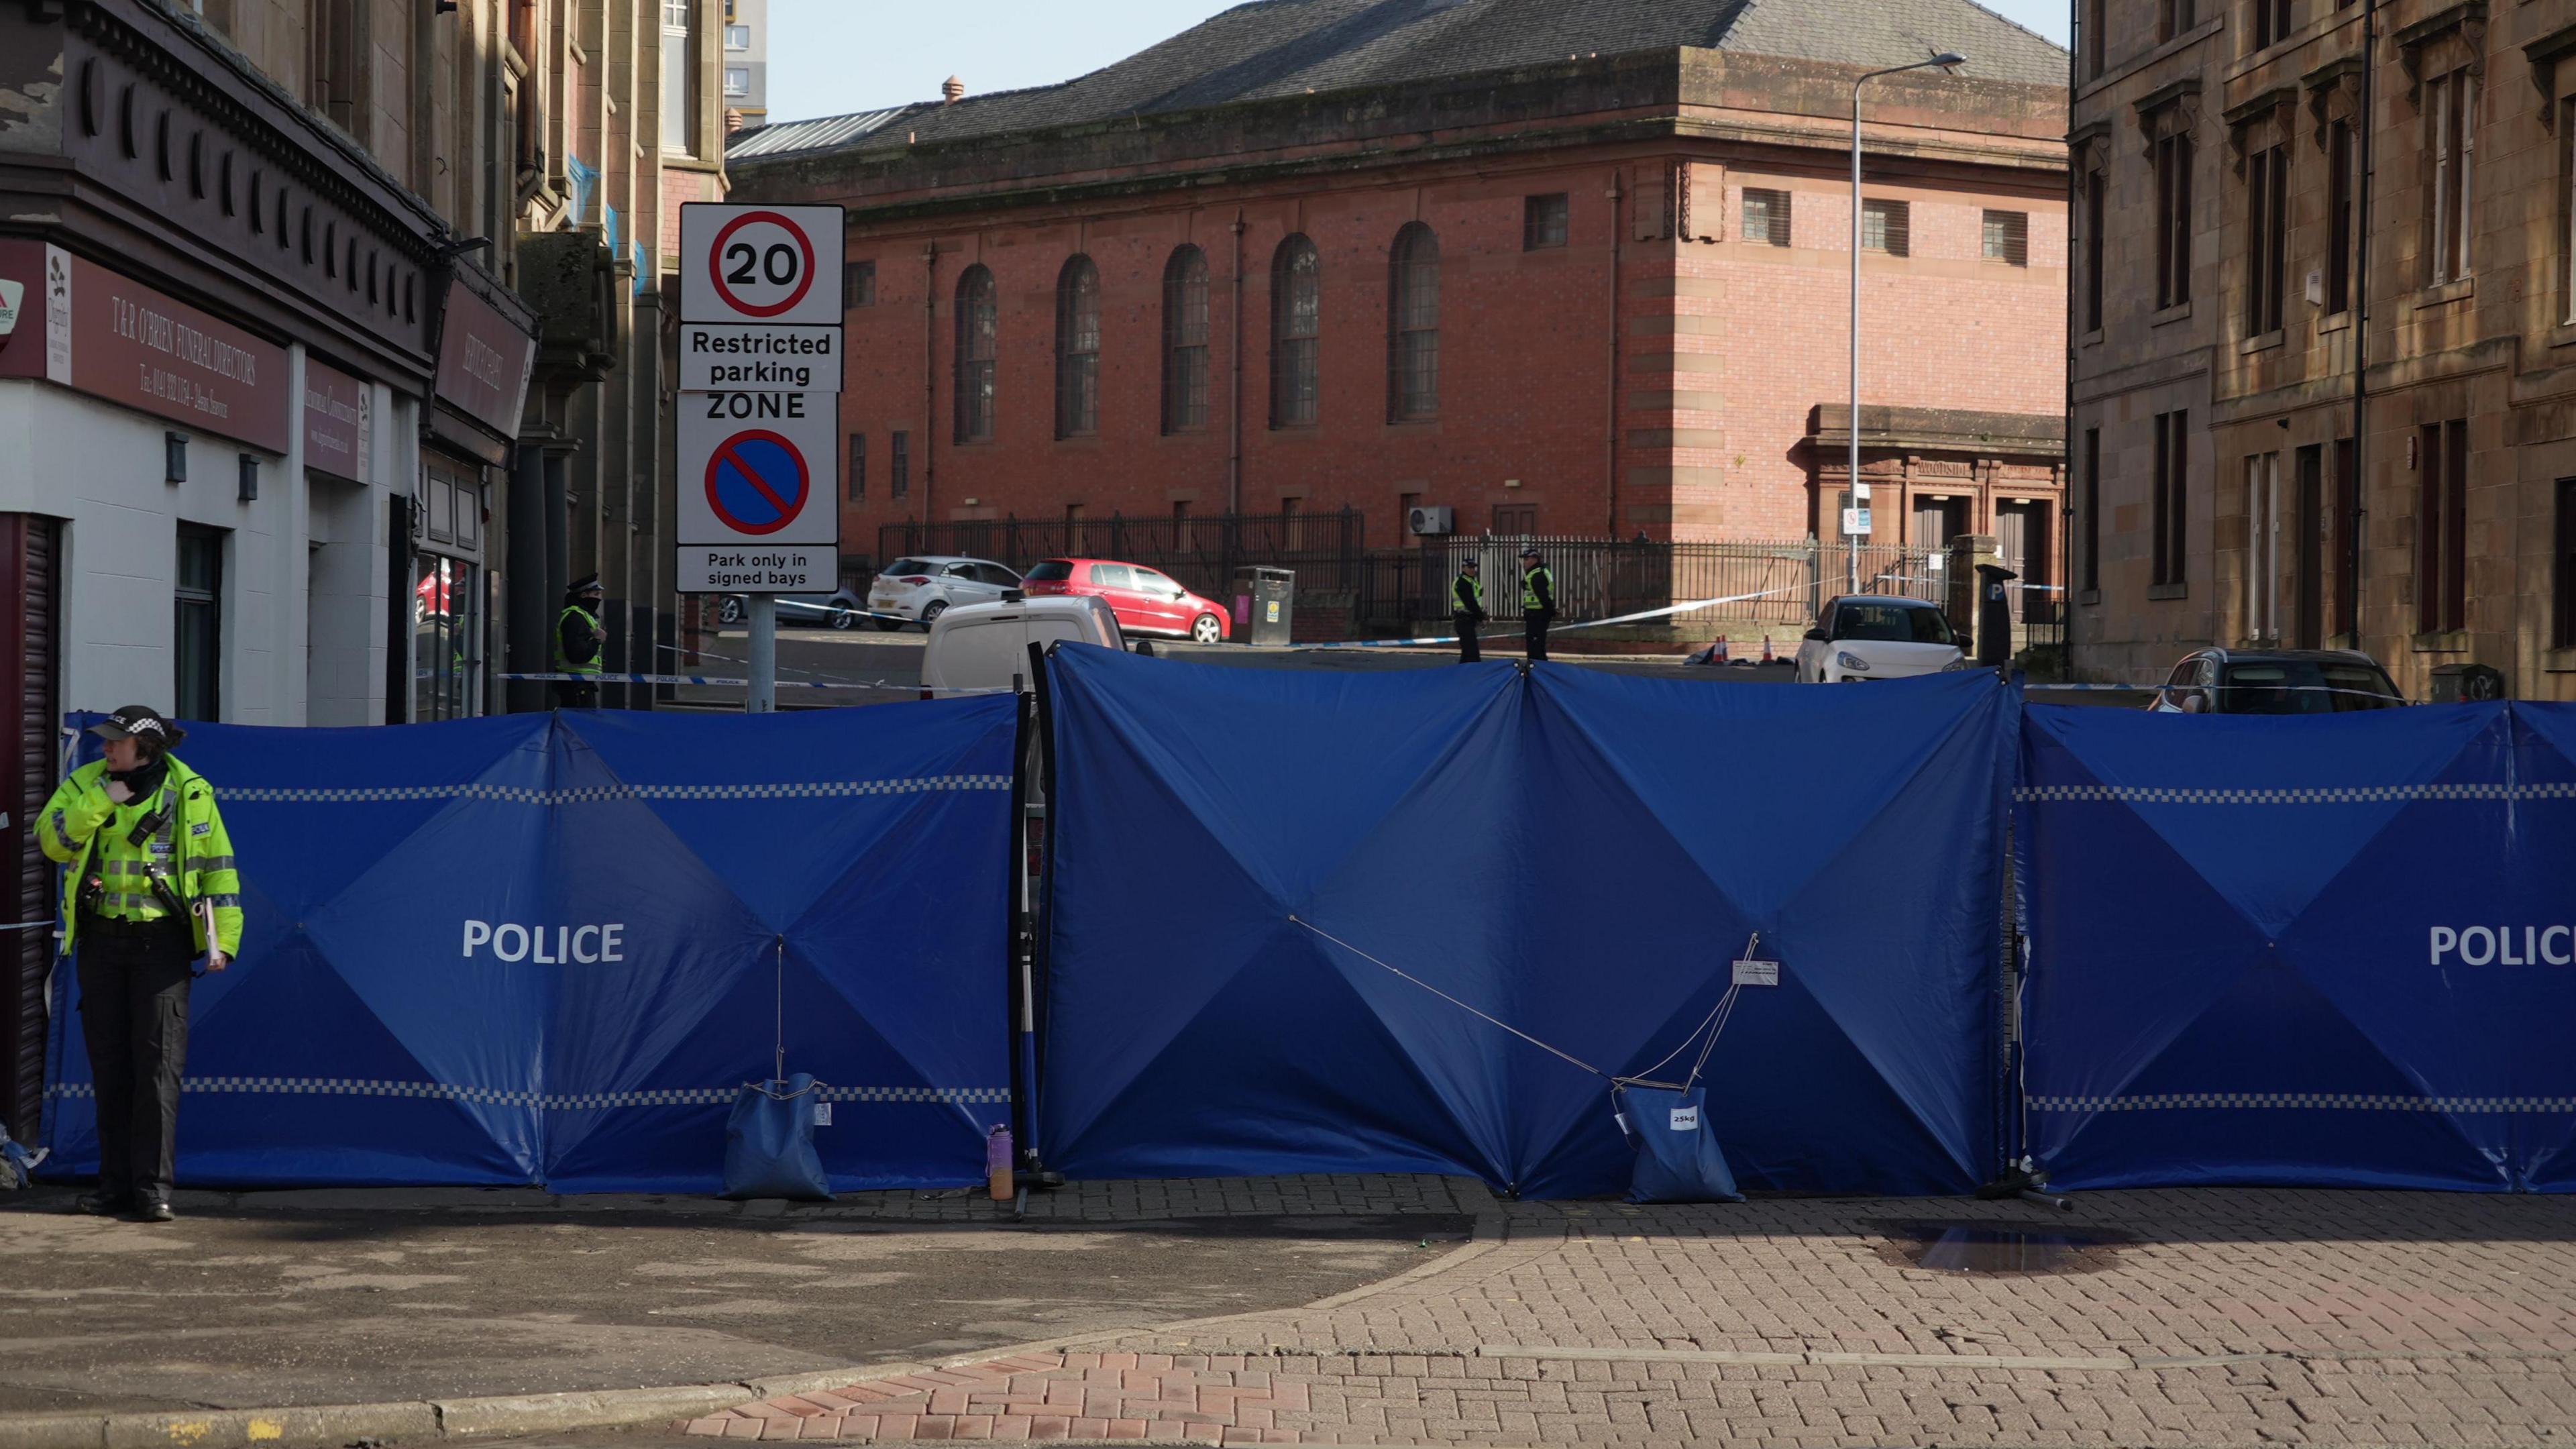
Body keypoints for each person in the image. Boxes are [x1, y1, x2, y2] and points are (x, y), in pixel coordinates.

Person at [36, 706, 241, 1223]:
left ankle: (152, 1190)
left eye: (115, 745)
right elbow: (52, 842)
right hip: (102, 942)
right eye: (104, 744)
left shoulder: (190, 790)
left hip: (162, 946)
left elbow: (218, 869)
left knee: (157, 1068)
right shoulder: (87, 783)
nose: (105, 751)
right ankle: (113, 1188)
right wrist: (102, 802)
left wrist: (224, 941)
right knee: (110, 1069)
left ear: (145, 749)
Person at [555, 573, 604, 708]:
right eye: (596, 595)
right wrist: (597, 640)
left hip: (581, 682)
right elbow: (577, 654)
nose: (599, 599)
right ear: (583, 595)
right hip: (575, 685)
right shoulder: (576, 618)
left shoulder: (585, 617)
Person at [1520, 547, 1556, 663]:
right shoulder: (1537, 572)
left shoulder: (1537, 574)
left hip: (1538, 616)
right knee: (1537, 647)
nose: (1524, 562)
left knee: (1535, 649)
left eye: (1526, 559)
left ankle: (1537, 672)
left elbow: (1543, 596)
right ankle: (1539, 670)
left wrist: (1552, 611)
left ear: (1535, 559)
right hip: (1536, 615)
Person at [1450, 557, 1487, 663]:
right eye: (1470, 567)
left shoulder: (1471, 581)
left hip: (1469, 620)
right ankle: (1473, 673)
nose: (1473, 570)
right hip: (1463, 619)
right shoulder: (1462, 582)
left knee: (1468, 652)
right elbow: (1470, 602)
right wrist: (1481, 617)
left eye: (1474, 567)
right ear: (1463, 568)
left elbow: (1475, 601)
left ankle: (1462, 675)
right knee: (1472, 651)